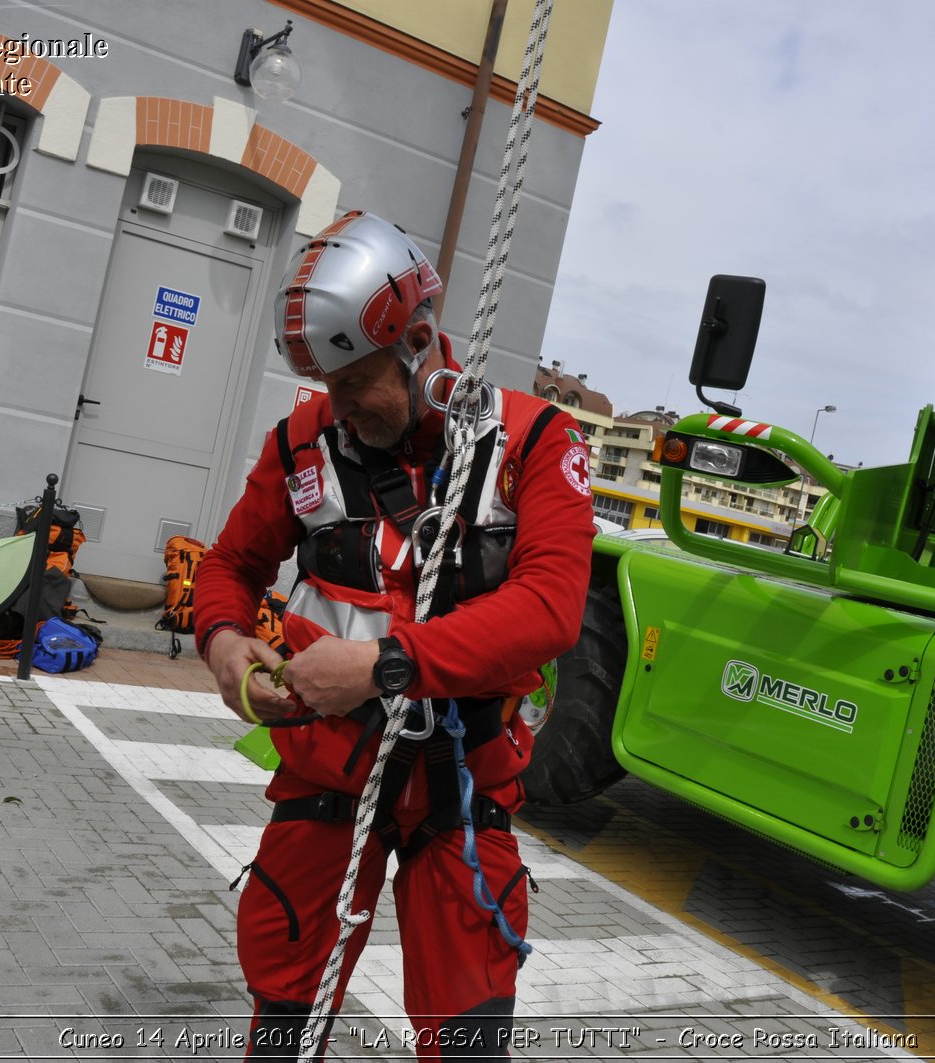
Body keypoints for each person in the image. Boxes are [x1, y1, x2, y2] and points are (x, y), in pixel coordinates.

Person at [191, 210, 596, 1060]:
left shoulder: (531, 445)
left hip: (459, 789)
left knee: (468, 1039)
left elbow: (550, 611)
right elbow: (229, 565)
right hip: (324, 780)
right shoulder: (301, 445)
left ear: (419, 340)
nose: (335, 409)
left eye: (352, 384)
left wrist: (381, 665)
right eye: (324, 386)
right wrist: (227, 647)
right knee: (282, 1027)